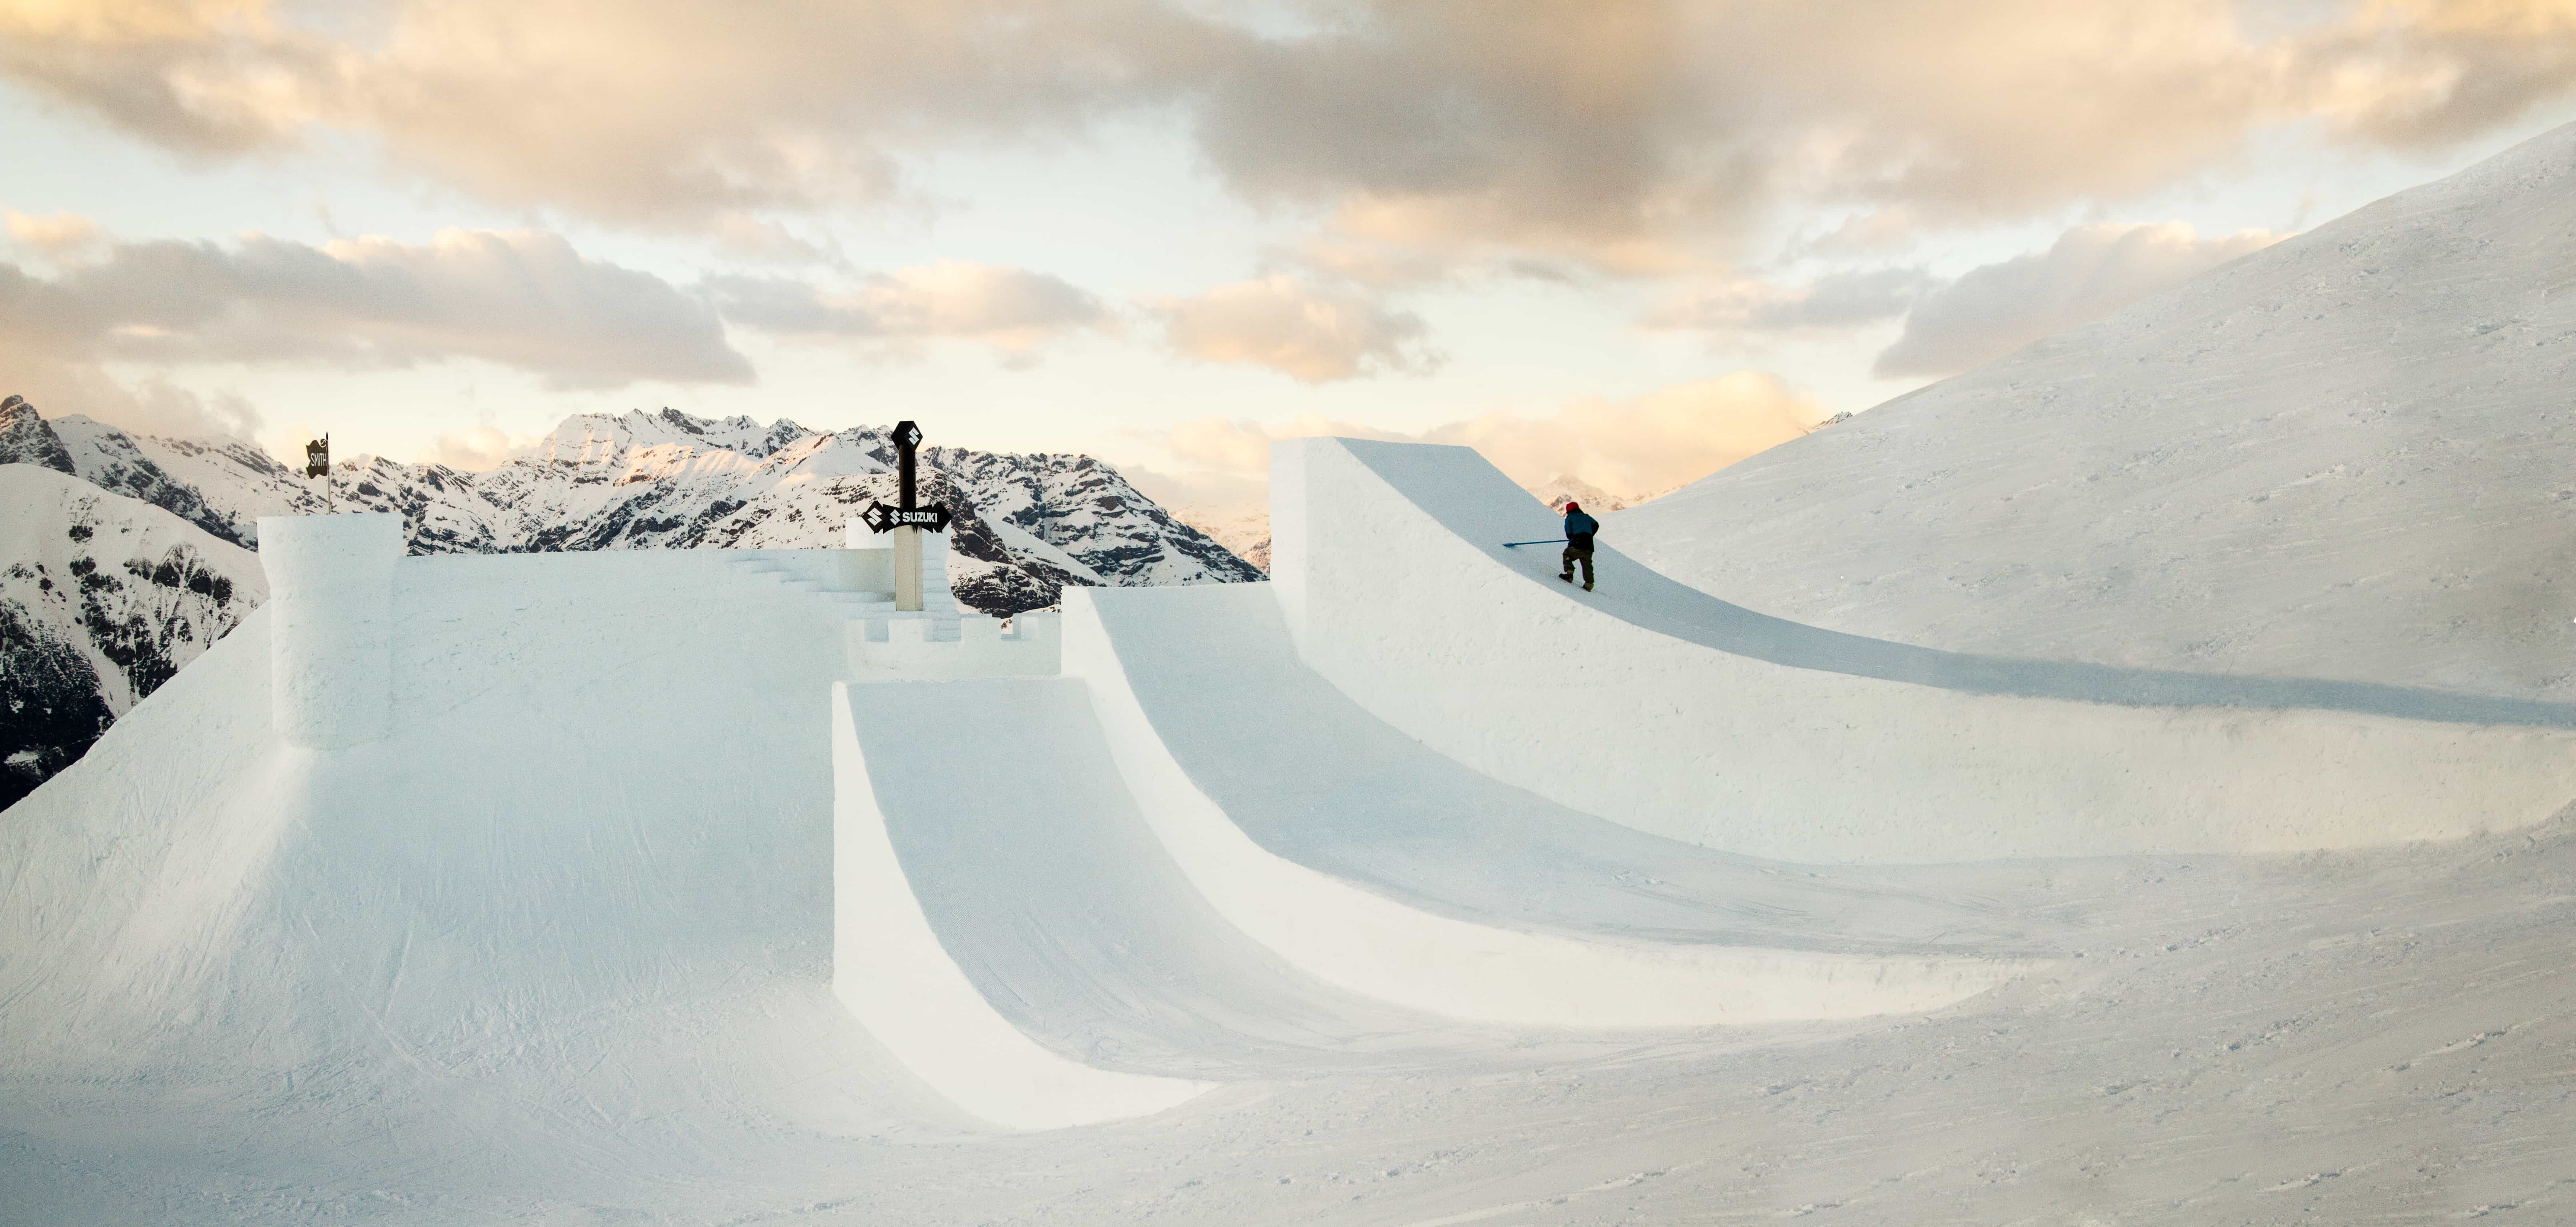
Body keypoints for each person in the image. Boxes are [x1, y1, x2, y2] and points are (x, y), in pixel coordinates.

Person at [1559, 501, 1599, 591]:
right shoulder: (1587, 517)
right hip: (1589, 545)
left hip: (1577, 543)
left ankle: (1569, 574)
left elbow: (1569, 534)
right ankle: (1589, 584)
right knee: (1587, 564)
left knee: (1567, 554)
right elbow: (1596, 525)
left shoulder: (1570, 518)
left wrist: (1574, 538)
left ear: (1569, 511)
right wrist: (1589, 534)